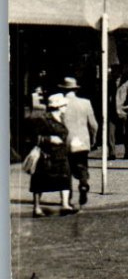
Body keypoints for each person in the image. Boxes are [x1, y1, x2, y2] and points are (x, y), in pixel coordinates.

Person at [29, 94, 75, 217]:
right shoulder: (43, 119)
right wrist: (49, 139)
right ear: (58, 106)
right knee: (40, 181)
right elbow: (34, 137)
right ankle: (37, 207)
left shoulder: (62, 118)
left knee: (65, 178)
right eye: (64, 105)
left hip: (61, 154)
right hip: (46, 155)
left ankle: (65, 204)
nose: (65, 107)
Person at [57, 77, 99, 209]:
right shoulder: (85, 103)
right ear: (75, 89)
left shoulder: (60, 103)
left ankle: (67, 199)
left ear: (63, 89)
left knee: (66, 170)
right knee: (82, 166)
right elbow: (94, 125)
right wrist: (93, 138)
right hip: (82, 141)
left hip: (65, 141)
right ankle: (83, 183)